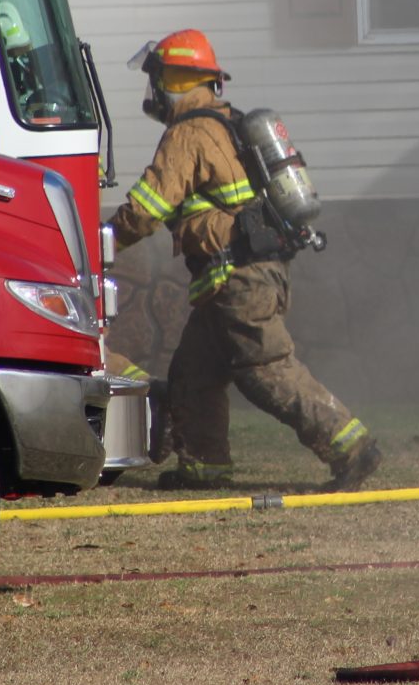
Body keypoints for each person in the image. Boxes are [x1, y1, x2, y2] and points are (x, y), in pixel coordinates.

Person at [110, 30, 381, 492]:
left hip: (239, 280)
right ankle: (204, 469)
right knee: (194, 375)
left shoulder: (188, 134)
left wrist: (98, 243)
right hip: (235, 278)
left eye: (156, 80)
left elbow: (145, 210)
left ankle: (351, 447)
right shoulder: (227, 125)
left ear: (173, 81)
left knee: (265, 368)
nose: (152, 91)